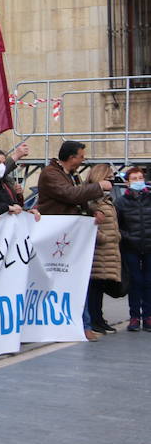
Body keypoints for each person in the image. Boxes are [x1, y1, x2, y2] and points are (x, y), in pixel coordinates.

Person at [36, 141, 111, 342]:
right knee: (58, 279)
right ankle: (71, 324)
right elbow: (69, 195)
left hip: (70, 236)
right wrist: (98, 187)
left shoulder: (71, 175)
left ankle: (82, 324)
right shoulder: (50, 174)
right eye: (81, 156)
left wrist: (92, 211)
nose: (83, 159)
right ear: (71, 157)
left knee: (77, 279)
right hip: (55, 236)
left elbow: (78, 199)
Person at [84, 162, 121, 337]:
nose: (111, 182)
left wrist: (116, 236)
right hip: (99, 249)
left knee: (101, 285)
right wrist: (105, 238)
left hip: (109, 250)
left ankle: (99, 318)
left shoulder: (106, 200)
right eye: (108, 178)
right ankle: (95, 319)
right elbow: (88, 224)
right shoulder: (92, 200)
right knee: (95, 287)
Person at [116, 164, 151, 331]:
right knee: (135, 282)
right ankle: (135, 317)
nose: (138, 181)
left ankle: (148, 316)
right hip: (131, 247)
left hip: (149, 246)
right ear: (127, 183)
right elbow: (118, 225)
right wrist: (127, 237)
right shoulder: (121, 202)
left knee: (149, 282)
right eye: (134, 179)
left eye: (140, 178)